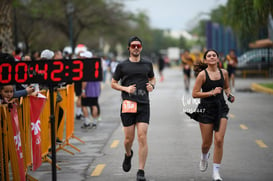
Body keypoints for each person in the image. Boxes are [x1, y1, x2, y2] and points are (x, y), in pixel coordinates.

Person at [111, 36, 156, 181]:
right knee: (128, 139)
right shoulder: (122, 65)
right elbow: (113, 83)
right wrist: (125, 88)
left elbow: (152, 78)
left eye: (138, 46)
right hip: (128, 104)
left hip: (143, 104)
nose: (136, 48)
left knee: (142, 136)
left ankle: (141, 171)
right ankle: (128, 154)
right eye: (133, 46)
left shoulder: (148, 64)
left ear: (141, 48)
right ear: (129, 48)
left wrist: (152, 86)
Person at [186, 49, 234, 181]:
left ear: (218, 59)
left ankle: (216, 173)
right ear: (206, 60)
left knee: (219, 140)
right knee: (206, 143)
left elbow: (226, 87)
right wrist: (211, 92)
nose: (212, 57)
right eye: (209, 56)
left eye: (214, 55)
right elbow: (195, 93)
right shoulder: (202, 75)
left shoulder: (224, 73)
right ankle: (203, 156)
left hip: (221, 108)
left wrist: (229, 95)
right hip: (206, 109)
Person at [80, 51, 101, 128]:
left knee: (84, 105)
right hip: (95, 90)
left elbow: (84, 81)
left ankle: (87, 122)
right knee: (94, 105)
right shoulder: (96, 66)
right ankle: (94, 122)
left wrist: (83, 90)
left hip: (88, 90)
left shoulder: (85, 67)